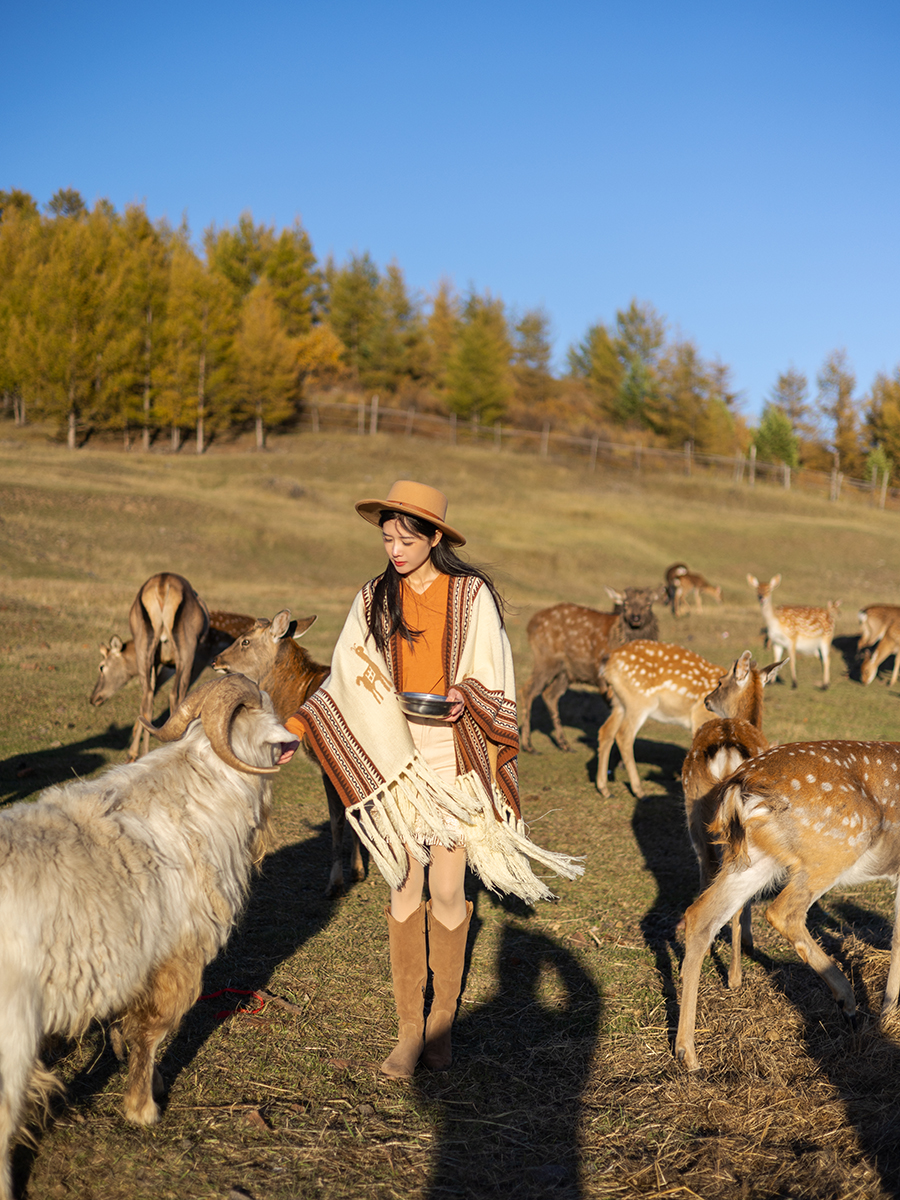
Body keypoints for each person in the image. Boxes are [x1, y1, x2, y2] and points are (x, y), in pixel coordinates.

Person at [287, 480, 582, 1078]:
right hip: (394, 757)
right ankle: (408, 1032)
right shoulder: (373, 598)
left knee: (447, 890)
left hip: (450, 754)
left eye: (406, 538)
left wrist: (463, 694)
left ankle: (442, 1026)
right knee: (403, 885)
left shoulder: (470, 595)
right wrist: (298, 725)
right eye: (388, 538)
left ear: (434, 538)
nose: (395, 549)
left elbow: (491, 667)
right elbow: (346, 672)